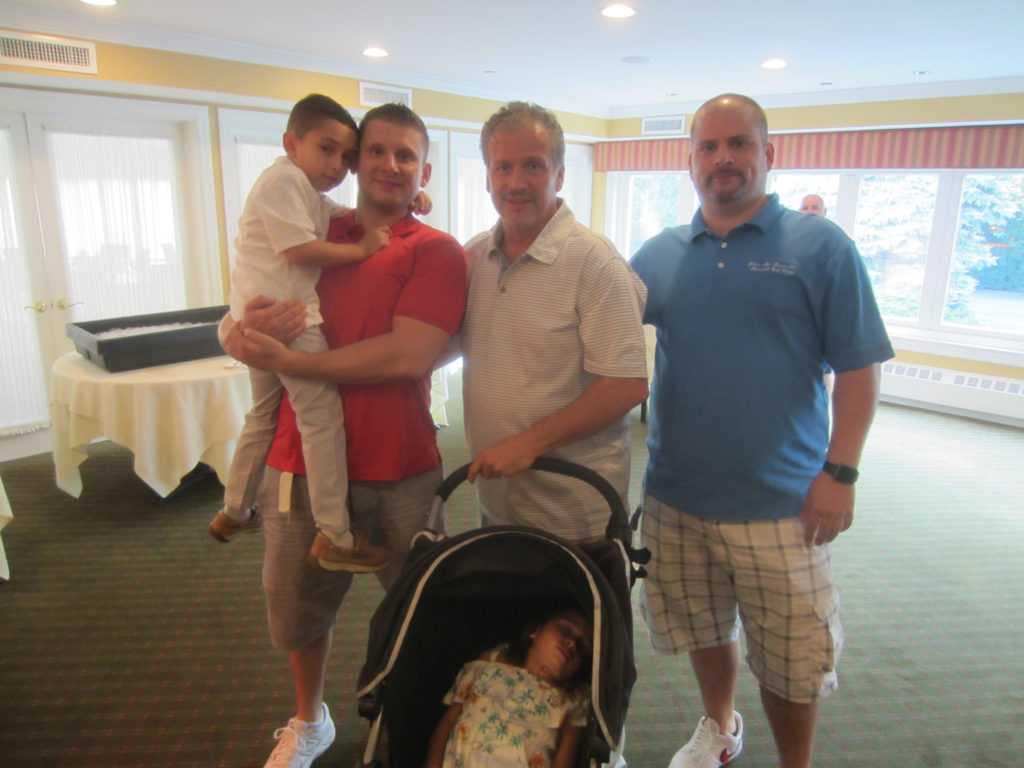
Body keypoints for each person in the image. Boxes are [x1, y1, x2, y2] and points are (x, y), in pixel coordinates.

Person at [630, 94, 894, 768]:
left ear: (768, 154)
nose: (724, 159)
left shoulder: (821, 246)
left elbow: (860, 368)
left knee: (792, 655)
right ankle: (720, 727)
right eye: (709, 147)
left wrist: (841, 474)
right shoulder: (658, 254)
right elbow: (596, 329)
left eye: (739, 144)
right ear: (689, 161)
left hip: (785, 500)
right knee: (702, 626)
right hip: (676, 496)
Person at [222, 102, 467, 768]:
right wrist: (237, 333)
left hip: (402, 465)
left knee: (421, 608)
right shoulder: (309, 231)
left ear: (423, 168)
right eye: (377, 150)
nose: (390, 164)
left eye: (406, 155)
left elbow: (406, 356)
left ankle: (418, 715)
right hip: (299, 462)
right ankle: (311, 720)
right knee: (300, 613)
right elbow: (248, 299)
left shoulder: (436, 250)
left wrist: (293, 362)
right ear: (353, 160)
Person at [211, 93, 393, 573]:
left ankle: (234, 509)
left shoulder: (305, 189)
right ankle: (336, 533)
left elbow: (343, 216)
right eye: (326, 149)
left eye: (346, 156)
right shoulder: (284, 180)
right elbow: (299, 250)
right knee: (322, 421)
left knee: (263, 416)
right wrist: (363, 251)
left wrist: (407, 199)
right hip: (288, 322)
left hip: (257, 319)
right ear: (291, 143)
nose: (337, 165)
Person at [460, 102, 649, 544]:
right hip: (497, 503)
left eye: (534, 166)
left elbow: (626, 385)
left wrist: (527, 444)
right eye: (502, 167)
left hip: (575, 516)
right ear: (488, 175)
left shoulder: (594, 263)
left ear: (560, 175)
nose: (516, 182)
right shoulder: (473, 258)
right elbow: (437, 344)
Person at [423, 610, 593, 768]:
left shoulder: (574, 700)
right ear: (535, 632)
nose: (572, 643)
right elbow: (448, 721)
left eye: (583, 648)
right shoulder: (491, 662)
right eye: (565, 628)